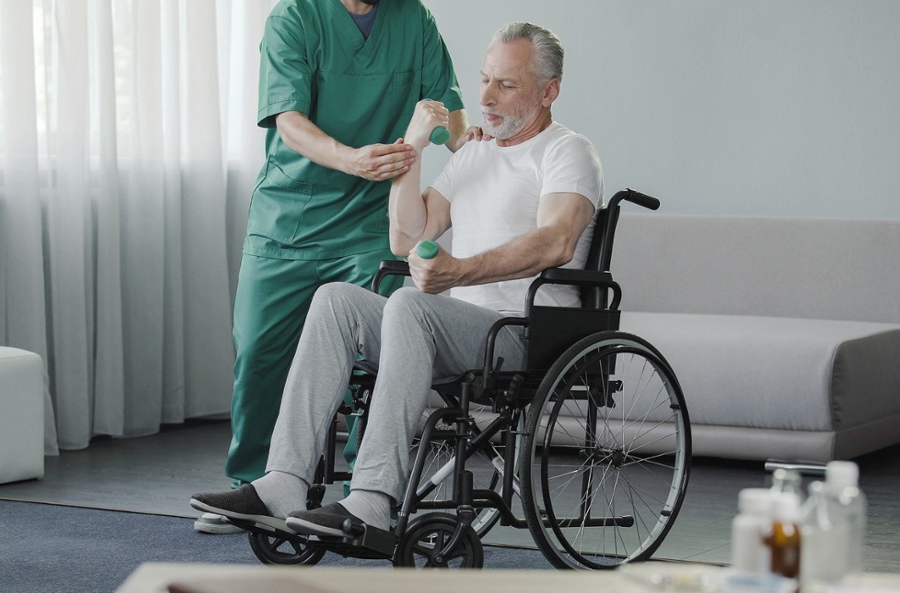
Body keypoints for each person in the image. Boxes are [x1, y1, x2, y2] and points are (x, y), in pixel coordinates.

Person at [192, 21, 603, 537]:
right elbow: (406, 237)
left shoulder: (567, 152)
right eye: (483, 80)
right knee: (336, 300)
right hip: (464, 332)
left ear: (549, 92)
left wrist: (460, 270)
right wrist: (413, 148)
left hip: (525, 335)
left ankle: (370, 498)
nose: (486, 98)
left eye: (506, 85)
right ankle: (282, 482)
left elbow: (556, 242)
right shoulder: (474, 153)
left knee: (411, 303)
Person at [198, 0, 473, 534]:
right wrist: (350, 158)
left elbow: (448, 102)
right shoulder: (294, 17)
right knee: (258, 351)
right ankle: (256, 485)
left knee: (378, 354)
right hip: (290, 213)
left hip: (371, 221)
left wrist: (476, 148)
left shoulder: (412, 19)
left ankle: (357, 498)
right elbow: (288, 120)